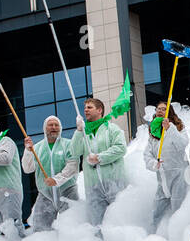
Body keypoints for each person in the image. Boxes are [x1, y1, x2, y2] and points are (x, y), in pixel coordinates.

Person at [71, 97, 128, 229]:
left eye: (89, 107)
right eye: (85, 108)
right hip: (93, 187)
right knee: (97, 225)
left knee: (119, 222)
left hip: (114, 182)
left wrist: (99, 158)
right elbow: (74, 152)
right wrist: (79, 131)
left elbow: (121, 148)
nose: (85, 110)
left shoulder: (112, 129)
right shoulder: (84, 133)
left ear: (100, 110)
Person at [22, 116, 80, 232]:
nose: (54, 127)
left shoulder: (68, 145)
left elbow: (72, 166)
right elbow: (27, 168)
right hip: (45, 194)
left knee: (72, 228)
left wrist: (56, 180)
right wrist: (28, 151)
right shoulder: (37, 148)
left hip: (67, 192)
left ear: (60, 128)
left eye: (56, 125)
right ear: (45, 128)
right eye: (50, 125)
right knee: (41, 230)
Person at [144, 102, 189, 232]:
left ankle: (179, 236)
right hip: (162, 180)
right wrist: (154, 164)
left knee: (178, 210)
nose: (160, 111)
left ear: (170, 112)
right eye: (158, 109)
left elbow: (183, 144)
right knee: (156, 213)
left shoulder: (179, 128)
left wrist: (170, 129)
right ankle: (152, 237)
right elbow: (147, 155)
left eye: (164, 109)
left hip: (179, 177)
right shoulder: (153, 134)